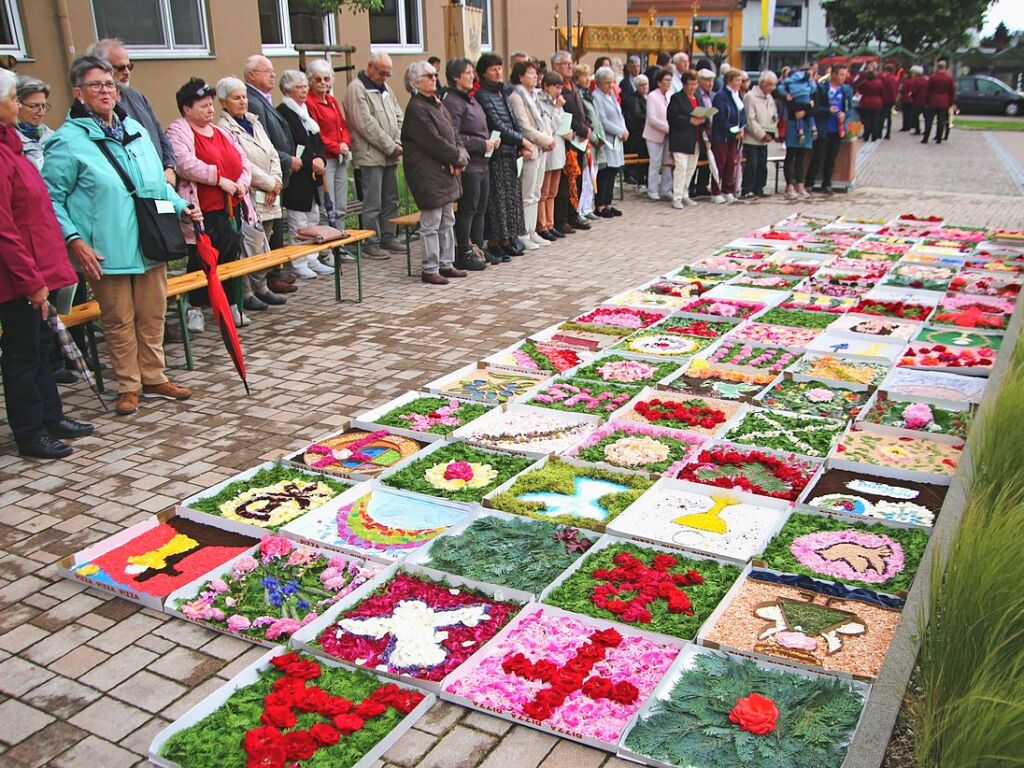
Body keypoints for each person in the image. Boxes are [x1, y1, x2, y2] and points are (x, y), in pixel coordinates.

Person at [43, 55, 199, 417]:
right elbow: (51, 199)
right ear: (78, 92)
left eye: (110, 84)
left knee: (152, 313)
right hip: (105, 248)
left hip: (149, 240)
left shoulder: (136, 131)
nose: (105, 90)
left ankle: (154, 375)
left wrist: (180, 207)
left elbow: (155, 185)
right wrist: (74, 240)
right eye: (96, 85)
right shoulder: (68, 141)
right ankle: (129, 385)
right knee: (118, 320)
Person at [0, 69, 94, 459]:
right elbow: (5, 228)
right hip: (17, 279)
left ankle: (51, 416)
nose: (16, 105)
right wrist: (31, 280)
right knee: (22, 354)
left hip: (39, 268)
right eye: (11, 98)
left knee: (41, 348)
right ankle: (29, 430)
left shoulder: (12, 144)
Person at [167, 78, 255, 329]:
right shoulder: (178, 130)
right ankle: (195, 308)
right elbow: (184, 163)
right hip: (202, 210)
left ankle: (230, 304)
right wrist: (219, 179)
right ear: (187, 108)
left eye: (210, 104)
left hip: (230, 206)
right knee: (202, 258)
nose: (210, 109)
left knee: (230, 254)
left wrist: (242, 182)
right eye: (203, 105)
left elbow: (242, 160)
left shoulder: (221, 131)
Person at [215, 77, 287, 311]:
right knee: (250, 244)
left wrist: (276, 181)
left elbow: (272, 153)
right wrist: (268, 183)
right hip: (250, 193)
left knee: (265, 239)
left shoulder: (254, 122)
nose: (243, 101)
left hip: (269, 192)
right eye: (237, 98)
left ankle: (261, 286)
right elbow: (241, 162)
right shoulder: (224, 128)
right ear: (224, 102)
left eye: (244, 96)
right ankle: (246, 292)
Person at [401, 61, 469, 285]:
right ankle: (430, 268)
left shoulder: (436, 103)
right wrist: (455, 156)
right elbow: (433, 142)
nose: (434, 78)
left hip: (444, 170)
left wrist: (461, 153)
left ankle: (446, 263)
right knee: (431, 222)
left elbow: (453, 131)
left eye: (434, 75)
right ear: (415, 82)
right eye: (428, 76)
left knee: (447, 219)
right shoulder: (417, 108)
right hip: (427, 173)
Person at [242, 55, 299, 295]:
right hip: (264, 179)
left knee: (274, 225)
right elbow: (264, 146)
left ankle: (273, 273)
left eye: (273, 71)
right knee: (268, 228)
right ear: (252, 75)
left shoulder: (261, 99)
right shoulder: (253, 102)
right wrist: (286, 161)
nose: (273, 75)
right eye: (267, 71)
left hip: (275, 174)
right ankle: (267, 278)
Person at [85, 39, 176, 186]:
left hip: (162, 185)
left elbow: (160, 135)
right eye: (120, 68)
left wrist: (170, 167)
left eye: (129, 66)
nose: (126, 72)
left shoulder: (137, 97)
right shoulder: (99, 111)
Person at [344, 52, 405, 260]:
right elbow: (365, 124)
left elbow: (398, 115)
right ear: (370, 67)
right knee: (372, 202)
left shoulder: (386, 88)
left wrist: (397, 141)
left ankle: (389, 236)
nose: (385, 77)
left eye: (388, 73)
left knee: (391, 198)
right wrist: (390, 146)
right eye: (381, 72)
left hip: (391, 153)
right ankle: (372, 241)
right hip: (371, 156)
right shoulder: (356, 89)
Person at [442, 58, 498, 268]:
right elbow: (454, 134)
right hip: (469, 164)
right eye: (468, 73)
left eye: (472, 72)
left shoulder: (471, 99)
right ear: (456, 77)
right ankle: (464, 250)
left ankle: (478, 247)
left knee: (481, 207)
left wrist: (491, 141)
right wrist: (481, 144)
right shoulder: (452, 101)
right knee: (469, 208)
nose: (472, 76)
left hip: (482, 162)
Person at [476, 52, 531, 257]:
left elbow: (513, 120)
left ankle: (509, 238)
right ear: (483, 73)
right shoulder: (483, 95)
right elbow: (496, 123)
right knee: (498, 200)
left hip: (509, 151)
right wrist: (521, 140)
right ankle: (497, 240)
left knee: (510, 199)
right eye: (493, 69)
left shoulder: (502, 92)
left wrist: (519, 143)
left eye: (500, 67)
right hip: (497, 153)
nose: (498, 71)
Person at [276, 70, 330, 278]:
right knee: (299, 222)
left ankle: (313, 258)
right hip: (298, 176)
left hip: (313, 175)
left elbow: (317, 141)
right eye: (300, 87)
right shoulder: (284, 113)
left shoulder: (305, 111)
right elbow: (291, 145)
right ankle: (299, 262)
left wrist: (321, 160)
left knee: (313, 217)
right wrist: (311, 162)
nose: (305, 90)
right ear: (288, 89)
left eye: (305, 86)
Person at [305, 59, 352, 265]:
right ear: (311, 81)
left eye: (326, 79)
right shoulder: (310, 104)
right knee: (328, 205)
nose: (323, 83)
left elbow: (342, 125)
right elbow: (317, 134)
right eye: (318, 79)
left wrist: (344, 143)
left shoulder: (332, 101)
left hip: (341, 156)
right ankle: (327, 251)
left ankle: (339, 244)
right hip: (327, 159)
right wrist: (336, 146)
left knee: (341, 205)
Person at [509, 59, 556, 248]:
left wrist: (549, 138)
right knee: (527, 194)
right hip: (531, 148)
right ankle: (523, 233)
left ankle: (532, 230)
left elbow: (545, 120)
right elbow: (524, 127)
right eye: (530, 73)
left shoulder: (534, 96)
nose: (535, 76)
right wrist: (547, 140)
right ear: (520, 76)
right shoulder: (516, 96)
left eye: (536, 73)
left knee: (536, 193)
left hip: (541, 149)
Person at [552, 50, 592, 231]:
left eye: (571, 63)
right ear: (556, 67)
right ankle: (562, 219)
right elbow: (566, 115)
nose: (570, 66)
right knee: (565, 183)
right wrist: (583, 128)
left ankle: (574, 213)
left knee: (578, 180)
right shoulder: (557, 89)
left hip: (580, 141)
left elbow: (583, 111)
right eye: (566, 63)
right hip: (568, 139)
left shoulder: (573, 87)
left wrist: (588, 126)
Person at [536, 70, 571, 241]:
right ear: (545, 86)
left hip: (558, 149)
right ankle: (542, 225)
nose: (558, 91)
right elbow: (550, 124)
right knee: (543, 191)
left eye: (560, 87)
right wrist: (557, 109)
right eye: (555, 87)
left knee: (553, 191)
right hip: (547, 149)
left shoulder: (558, 103)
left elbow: (563, 124)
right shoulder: (541, 102)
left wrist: (568, 131)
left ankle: (550, 223)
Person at [810, 64, 852, 194]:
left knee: (831, 158)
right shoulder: (822, 88)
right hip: (824, 127)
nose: (843, 77)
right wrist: (828, 110)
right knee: (818, 156)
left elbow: (849, 108)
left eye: (845, 75)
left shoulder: (846, 90)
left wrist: (845, 115)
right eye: (841, 74)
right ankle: (809, 183)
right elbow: (816, 109)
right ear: (833, 74)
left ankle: (827, 183)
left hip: (837, 128)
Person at [592, 66, 627, 218]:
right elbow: (603, 120)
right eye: (607, 83)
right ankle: (600, 205)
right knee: (605, 172)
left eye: (612, 82)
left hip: (618, 139)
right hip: (607, 138)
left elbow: (620, 116)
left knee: (613, 171)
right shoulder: (597, 96)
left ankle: (608, 203)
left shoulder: (611, 95)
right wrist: (619, 131)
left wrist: (624, 130)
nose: (611, 86)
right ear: (599, 83)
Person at [666, 69, 703, 209]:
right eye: (691, 84)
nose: (693, 87)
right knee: (681, 168)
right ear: (684, 84)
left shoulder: (697, 98)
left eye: (695, 83)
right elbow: (672, 117)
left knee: (691, 168)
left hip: (695, 138)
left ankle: (684, 193)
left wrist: (703, 119)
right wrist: (689, 120)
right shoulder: (676, 98)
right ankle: (676, 197)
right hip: (681, 138)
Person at [710, 69, 747, 204]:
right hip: (722, 136)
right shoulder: (721, 96)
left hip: (734, 137)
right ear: (729, 81)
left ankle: (727, 190)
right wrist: (734, 131)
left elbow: (742, 114)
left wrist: (742, 128)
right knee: (720, 164)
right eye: (737, 80)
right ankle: (715, 191)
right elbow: (720, 118)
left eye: (740, 80)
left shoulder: (738, 95)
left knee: (731, 164)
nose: (739, 83)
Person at [741, 70, 778, 199]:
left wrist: (773, 132)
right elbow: (750, 119)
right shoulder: (750, 96)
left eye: (773, 85)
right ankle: (747, 189)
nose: (772, 88)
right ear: (762, 83)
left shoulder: (770, 98)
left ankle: (759, 187)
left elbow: (773, 115)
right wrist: (761, 134)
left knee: (762, 164)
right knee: (752, 164)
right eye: (769, 84)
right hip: (752, 138)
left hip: (765, 137)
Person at [574, 64, 601, 220]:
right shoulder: (578, 94)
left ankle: (587, 206)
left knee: (592, 174)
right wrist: (589, 132)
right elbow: (582, 117)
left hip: (593, 136)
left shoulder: (588, 94)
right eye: (584, 75)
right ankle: (580, 209)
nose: (587, 79)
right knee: (584, 175)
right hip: (584, 139)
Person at [643, 68, 673, 202]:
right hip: (654, 134)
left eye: (670, 80)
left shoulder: (670, 95)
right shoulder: (652, 96)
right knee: (655, 162)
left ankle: (666, 189)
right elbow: (652, 119)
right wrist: (668, 128)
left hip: (668, 135)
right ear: (659, 82)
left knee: (667, 162)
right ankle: (652, 189)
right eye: (666, 80)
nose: (668, 83)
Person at [14, 76, 53, 169]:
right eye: (35, 106)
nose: (42, 113)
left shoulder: (54, 137)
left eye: (43, 106)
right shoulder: (10, 142)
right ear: (17, 104)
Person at [690, 69, 717, 198]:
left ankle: (702, 185)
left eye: (712, 80)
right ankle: (690, 186)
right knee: (695, 159)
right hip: (698, 129)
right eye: (707, 80)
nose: (710, 83)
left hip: (711, 131)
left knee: (707, 158)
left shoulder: (713, 95)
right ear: (699, 81)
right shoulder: (694, 94)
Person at [621, 72, 648, 186]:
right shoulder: (634, 99)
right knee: (638, 155)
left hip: (647, 131)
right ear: (636, 87)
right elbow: (637, 115)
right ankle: (635, 176)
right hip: (638, 132)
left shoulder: (648, 97)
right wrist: (648, 117)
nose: (645, 87)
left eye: (646, 84)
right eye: (642, 85)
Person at [923, 61, 955, 145]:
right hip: (944, 101)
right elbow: (951, 91)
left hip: (933, 101)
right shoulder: (949, 78)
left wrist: (926, 101)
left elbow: (928, 90)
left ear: (937, 67)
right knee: (941, 121)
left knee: (928, 121)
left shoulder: (933, 77)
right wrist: (950, 102)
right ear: (945, 67)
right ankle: (939, 138)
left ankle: (926, 137)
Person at [856, 68, 884, 141]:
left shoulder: (864, 82)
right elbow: (882, 92)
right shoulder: (879, 82)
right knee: (875, 119)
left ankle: (866, 135)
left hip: (865, 103)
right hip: (877, 103)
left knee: (866, 120)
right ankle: (874, 135)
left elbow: (859, 88)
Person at [881, 64, 899, 139]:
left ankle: (880, 132)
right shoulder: (895, 78)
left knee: (882, 117)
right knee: (889, 117)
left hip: (886, 100)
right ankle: (888, 133)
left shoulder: (887, 79)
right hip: (892, 100)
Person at [910, 66, 929, 136]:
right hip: (925, 101)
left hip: (917, 101)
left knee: (915, 116)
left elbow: (914, 91)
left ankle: (917, 129)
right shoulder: (925, 80)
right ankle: (926, 130)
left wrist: (911, 95)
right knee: (926, 117)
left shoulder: (915, 81)